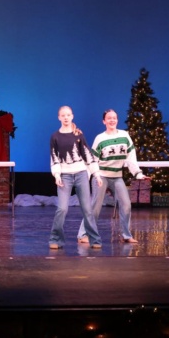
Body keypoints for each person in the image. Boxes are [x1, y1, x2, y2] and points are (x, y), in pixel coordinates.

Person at [76, 109, 145, 244]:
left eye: (114, 118)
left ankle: (126, 235)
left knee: (126, 204)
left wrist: (137, 173)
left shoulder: (125, 135)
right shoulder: (100, 138)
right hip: (101, 175)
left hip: (117, 176)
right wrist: (88, 177)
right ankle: (83, 234)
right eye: (109, 118)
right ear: (104, 121)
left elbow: (131, 157)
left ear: (117, 120)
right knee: (95, 206)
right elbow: (92, 160)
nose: (112, 120)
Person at [49, 106, 103, 249]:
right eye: (63, 115)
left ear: (72, 116)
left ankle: (95, 240)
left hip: (81, 174)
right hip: (65, 176)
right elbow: (54, 157)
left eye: (68, 115)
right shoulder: (55, 137)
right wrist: (57, 174)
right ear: (59, 117)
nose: (66, 117)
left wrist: (96, 174)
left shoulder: (78, 135)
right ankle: (55, 239)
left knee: (87, 209)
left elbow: (87, 155)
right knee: (62, 209)